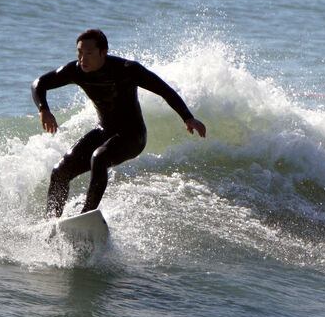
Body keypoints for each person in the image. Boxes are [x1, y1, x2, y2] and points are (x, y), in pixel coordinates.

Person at [32, 29, 207, 218]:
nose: (83, 59)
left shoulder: (127, 70)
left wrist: (188, 118)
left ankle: (86, 215)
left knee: (99, 158)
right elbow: (38, 84)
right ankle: (51, 222)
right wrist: (44, 109)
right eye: (80, 53)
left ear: (103, 52)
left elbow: (164, 90)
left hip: (133, 136)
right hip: (105, 130)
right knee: (60, 172)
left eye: (89, 53)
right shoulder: (76, 71)